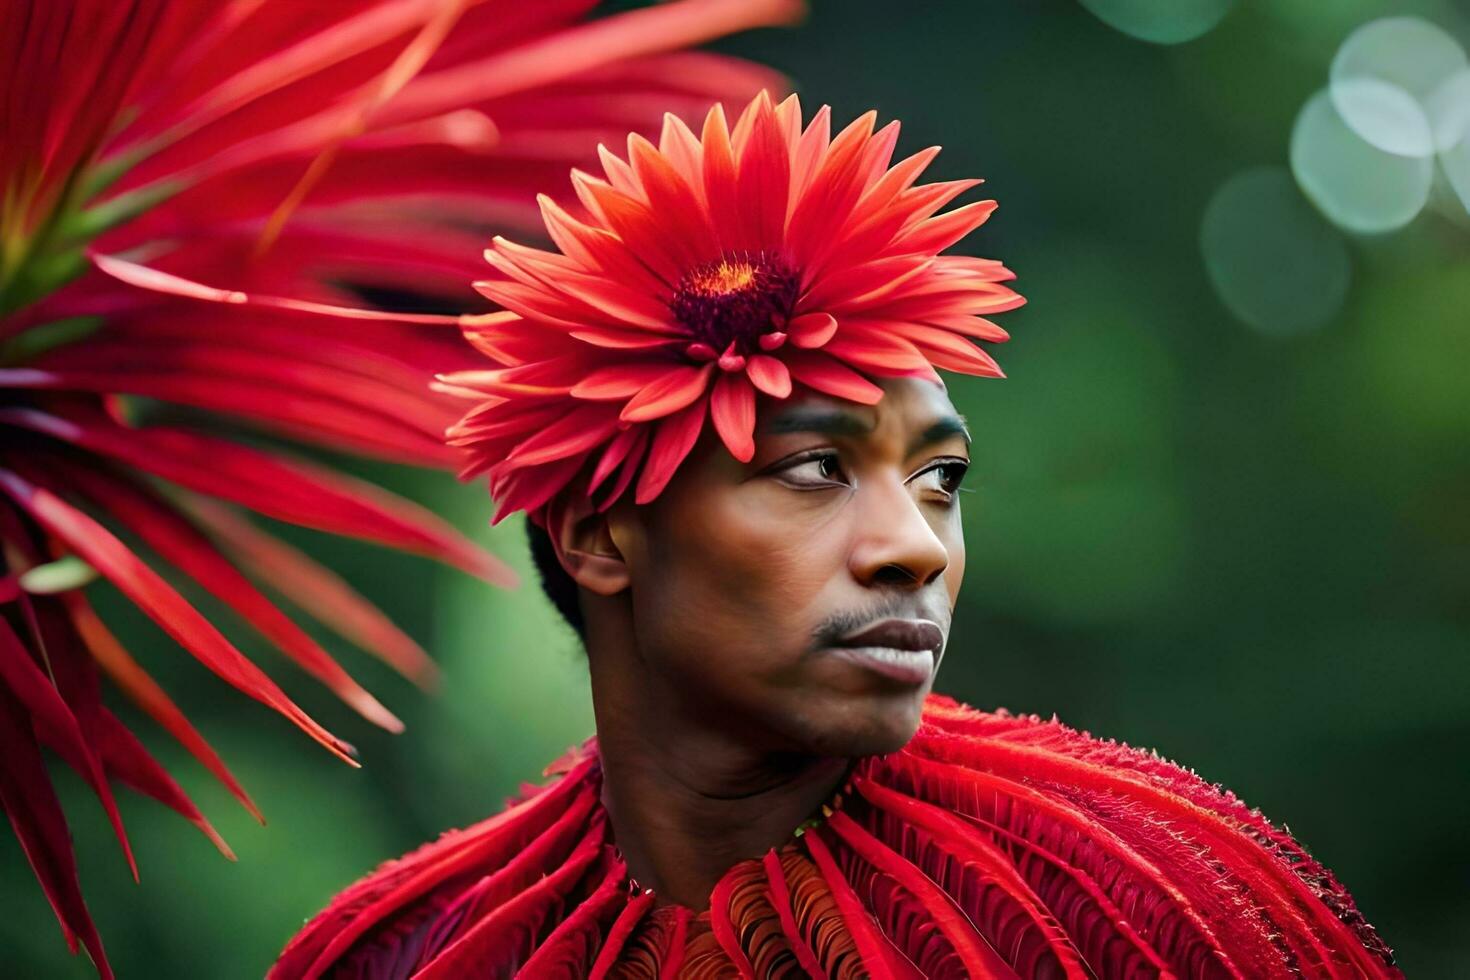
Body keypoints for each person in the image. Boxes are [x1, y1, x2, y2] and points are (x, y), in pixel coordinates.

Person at [271, 93, 1399, 978]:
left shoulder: (1155, 893)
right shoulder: (395, 950)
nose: (916, 546)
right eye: (817, 468)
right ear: (598, 534)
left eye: (941, 476)